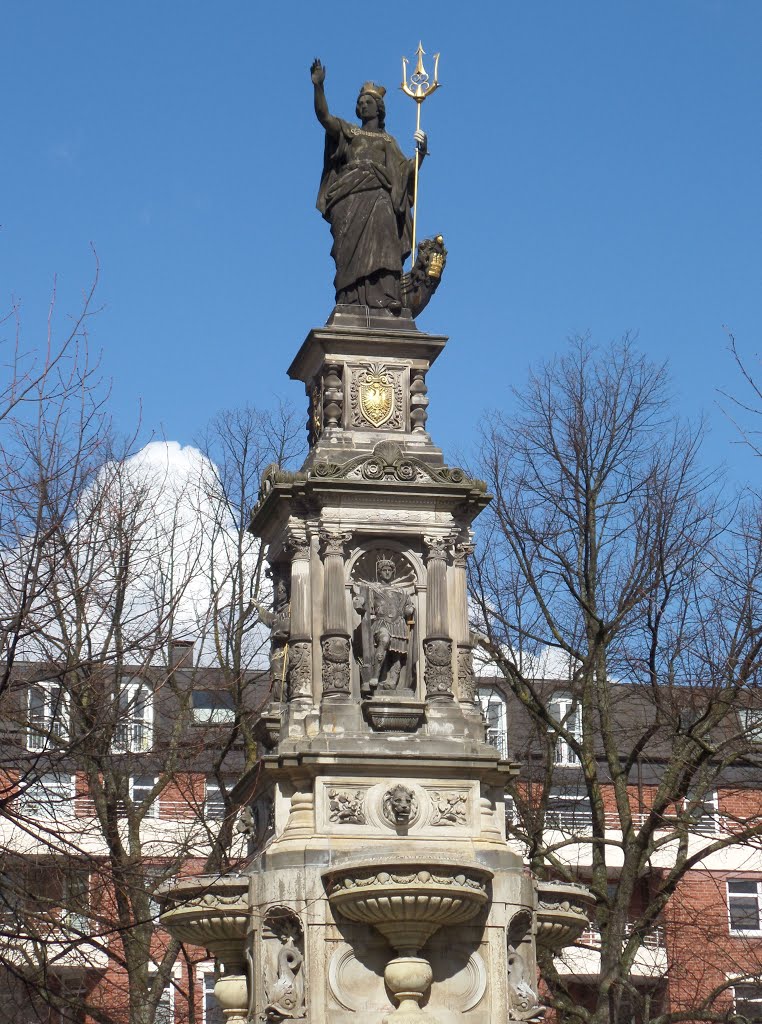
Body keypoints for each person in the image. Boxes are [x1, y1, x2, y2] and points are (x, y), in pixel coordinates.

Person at [311, 58, 427, 314]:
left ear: (379, 109)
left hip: (379, 199)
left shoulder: (387, 141)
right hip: (350, 200)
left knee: (387, 235)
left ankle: (386, 294)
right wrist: (319, 87)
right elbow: (324, 117)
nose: (363, 106)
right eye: (360, 103)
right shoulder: (349, 133)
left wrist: (420, 155)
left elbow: (402, 172)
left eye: (368, 103)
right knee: (349, 251)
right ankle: (350, 297)